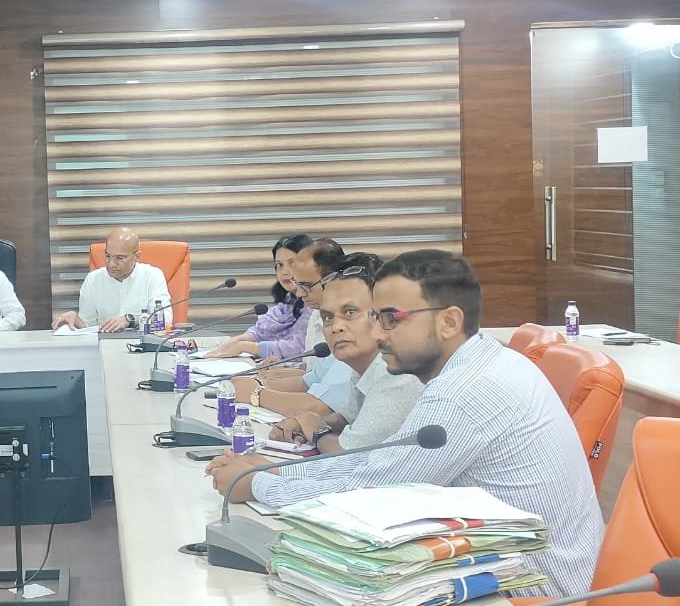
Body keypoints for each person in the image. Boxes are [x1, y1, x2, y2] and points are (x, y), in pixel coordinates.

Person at [206, 250, 603, 597]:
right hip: (502, 561)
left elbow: (372, 490)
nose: (378, 334)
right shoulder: (483, 362)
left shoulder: (465, 392)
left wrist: (257, 484)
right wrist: (277, 472)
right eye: (377, 317)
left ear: (449, 322)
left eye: (391, 319)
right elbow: (379, 463)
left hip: (531, 588)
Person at [266, 253, 423, 453]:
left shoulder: (398, 374)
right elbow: (349, 417)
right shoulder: (365, 366)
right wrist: (306, 421)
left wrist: (317, 431)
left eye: (350, 312)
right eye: (328, 317)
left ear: (384, 317)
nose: (335, 327)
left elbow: (348, 453)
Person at [233, 238, 354, 416]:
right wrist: (259, 382)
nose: (299, 293)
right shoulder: (317, 313)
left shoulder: (351, 335)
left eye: (306, 286)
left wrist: (256, 393)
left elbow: (321, 408)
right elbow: (311, 378)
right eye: (279, 265)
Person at [205, 234, 313, 359]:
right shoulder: (290, 299)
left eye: (292, 263)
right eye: (280, 265)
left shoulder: (315, 303)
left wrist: (245, 347)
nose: (285, 272)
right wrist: (238, 340)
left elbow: (299, 349)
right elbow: (261, 332)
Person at [51, 227, 171, 333]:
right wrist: (76, 320)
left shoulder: (152, 276)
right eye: (108, 256)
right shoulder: (93, 280)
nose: (111, 264)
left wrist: (129, 320)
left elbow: (165, 319)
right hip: (105, 345)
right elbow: (88, 327)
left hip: (142, 344)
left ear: (137, 257)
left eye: (119, 258)